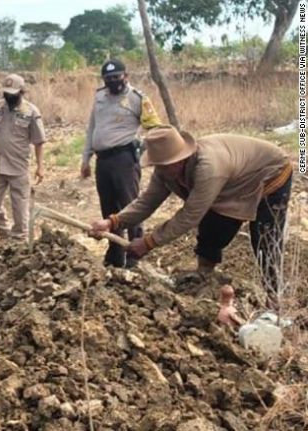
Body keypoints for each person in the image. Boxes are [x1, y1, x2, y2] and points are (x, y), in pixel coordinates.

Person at [90, 126, 292, 305]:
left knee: (265, 239)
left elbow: (190, 215)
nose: (159, 169)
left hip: (269, 174)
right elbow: (147, 202)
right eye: (157, 165)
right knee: (211, 230)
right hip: (232, 183)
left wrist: (149, 242)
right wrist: (112, 221)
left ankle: (275, 299)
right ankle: (205, 277)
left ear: (180, 159)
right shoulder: (165, 170)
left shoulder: (209, 168)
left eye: (164, 165)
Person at [81, 59, 162, 268]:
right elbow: (92, 128)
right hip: (103, 160)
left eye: (116, 77)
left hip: (124, 159)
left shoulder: (137, 98)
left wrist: (141, 148)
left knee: (130, 207)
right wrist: (86, 158)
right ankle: (115, 254)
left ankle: (135, 255)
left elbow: (154, 127)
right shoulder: (99, 97)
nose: (113, 81)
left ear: (125, 76)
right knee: (108, 209)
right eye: (108, 79)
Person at [0, 74, 46, 240]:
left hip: (19, 167)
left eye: (13, 93)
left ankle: (19, 239)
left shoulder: (31, 112)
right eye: (6, 93)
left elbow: (39, 142)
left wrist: (40, 167)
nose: (9, 96)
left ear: (21, 92)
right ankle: (5, 235)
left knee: (20, 208)